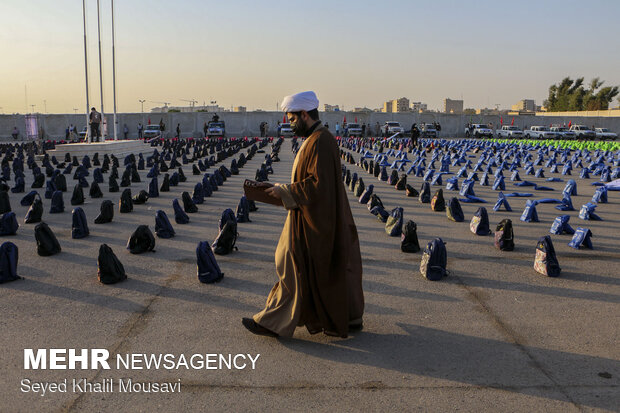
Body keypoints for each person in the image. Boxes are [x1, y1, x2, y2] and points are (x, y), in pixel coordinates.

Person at [242, 91, 364, 338]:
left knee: (290, 264)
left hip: (314, 219)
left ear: (304, 114)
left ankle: (272, 321)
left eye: (291, 118)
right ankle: (349, 316)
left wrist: (284, 191)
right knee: (310, 270)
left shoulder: (321, 141)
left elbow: (319, 185)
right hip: (307, 213)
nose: (289, 124)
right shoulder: (316, 139)